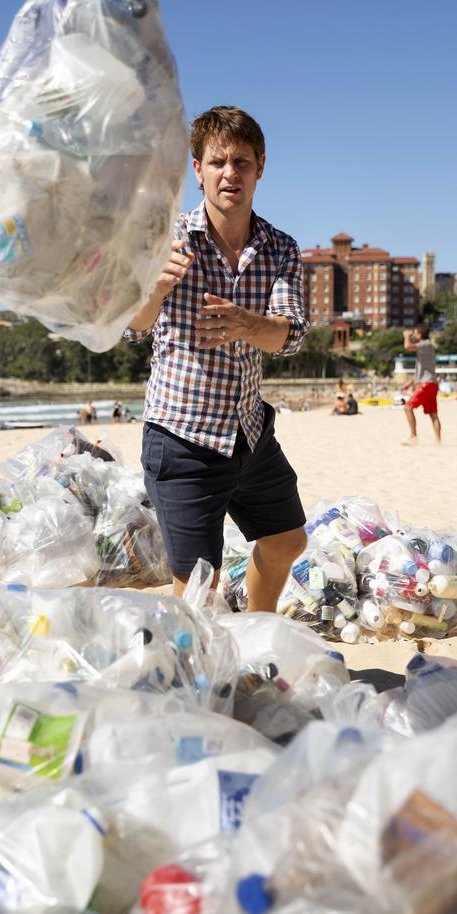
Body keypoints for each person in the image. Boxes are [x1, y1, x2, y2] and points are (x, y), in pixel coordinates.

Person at [124, 105, 309, 611]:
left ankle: (257, 625)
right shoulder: (166, 240)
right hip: (182, 437)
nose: (231, 173)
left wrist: (248, 323)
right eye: (218, 161)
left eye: (242, 162)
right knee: (199, 593)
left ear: (260, 167)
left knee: (289, 540)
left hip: (249, 433)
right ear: (197, 168)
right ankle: (199, 680)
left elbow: (290, 336)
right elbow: (132, 329)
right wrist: (153, 287)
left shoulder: (281, 249)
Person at [400, 324, 441, 445]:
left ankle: (413, 437)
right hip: (431, 383)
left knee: (408, 407)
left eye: (415, 332)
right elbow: (422, 371)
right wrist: (410, 383)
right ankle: (438, 441)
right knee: (433, 414)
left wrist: (406, 336)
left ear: (420, 334)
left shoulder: (425, 344)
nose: (413, 334)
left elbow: (407, 346)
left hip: (426, 384)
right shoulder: (426, 347)